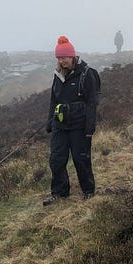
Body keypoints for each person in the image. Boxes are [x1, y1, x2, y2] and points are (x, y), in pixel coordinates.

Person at [43, 36, 99, 205]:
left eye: (64, 58)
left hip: (79, 126)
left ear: (73, 56)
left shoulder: (88, 74)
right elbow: (54, 100)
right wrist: (50, 122)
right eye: (59, 58)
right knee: (56, 159)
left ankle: (88, 190)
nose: (61, 61)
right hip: (60, 125)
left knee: (80, 158)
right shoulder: (58, 75)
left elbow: (92, 103)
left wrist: (90, 127)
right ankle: (60, 192)